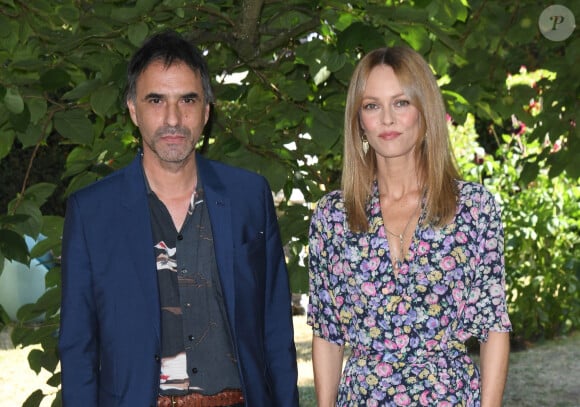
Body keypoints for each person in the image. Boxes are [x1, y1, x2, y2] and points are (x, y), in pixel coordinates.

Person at [59, 30, 299, 407]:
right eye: (156, 100)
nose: (173, 118)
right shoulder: (92, 213)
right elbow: (78, 348)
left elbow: (276, 331)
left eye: (187, 99)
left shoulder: (249, 197)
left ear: (206, 110)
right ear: (134, 110)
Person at [307, 46, 512, 406]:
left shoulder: (474, 208)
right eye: (372, 106)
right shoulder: (332, 216)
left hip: (450, 397)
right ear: (358, 120)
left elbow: (493, 327)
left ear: (425, 110)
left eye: (401, 103)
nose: (387, 119)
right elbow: (328, 333)